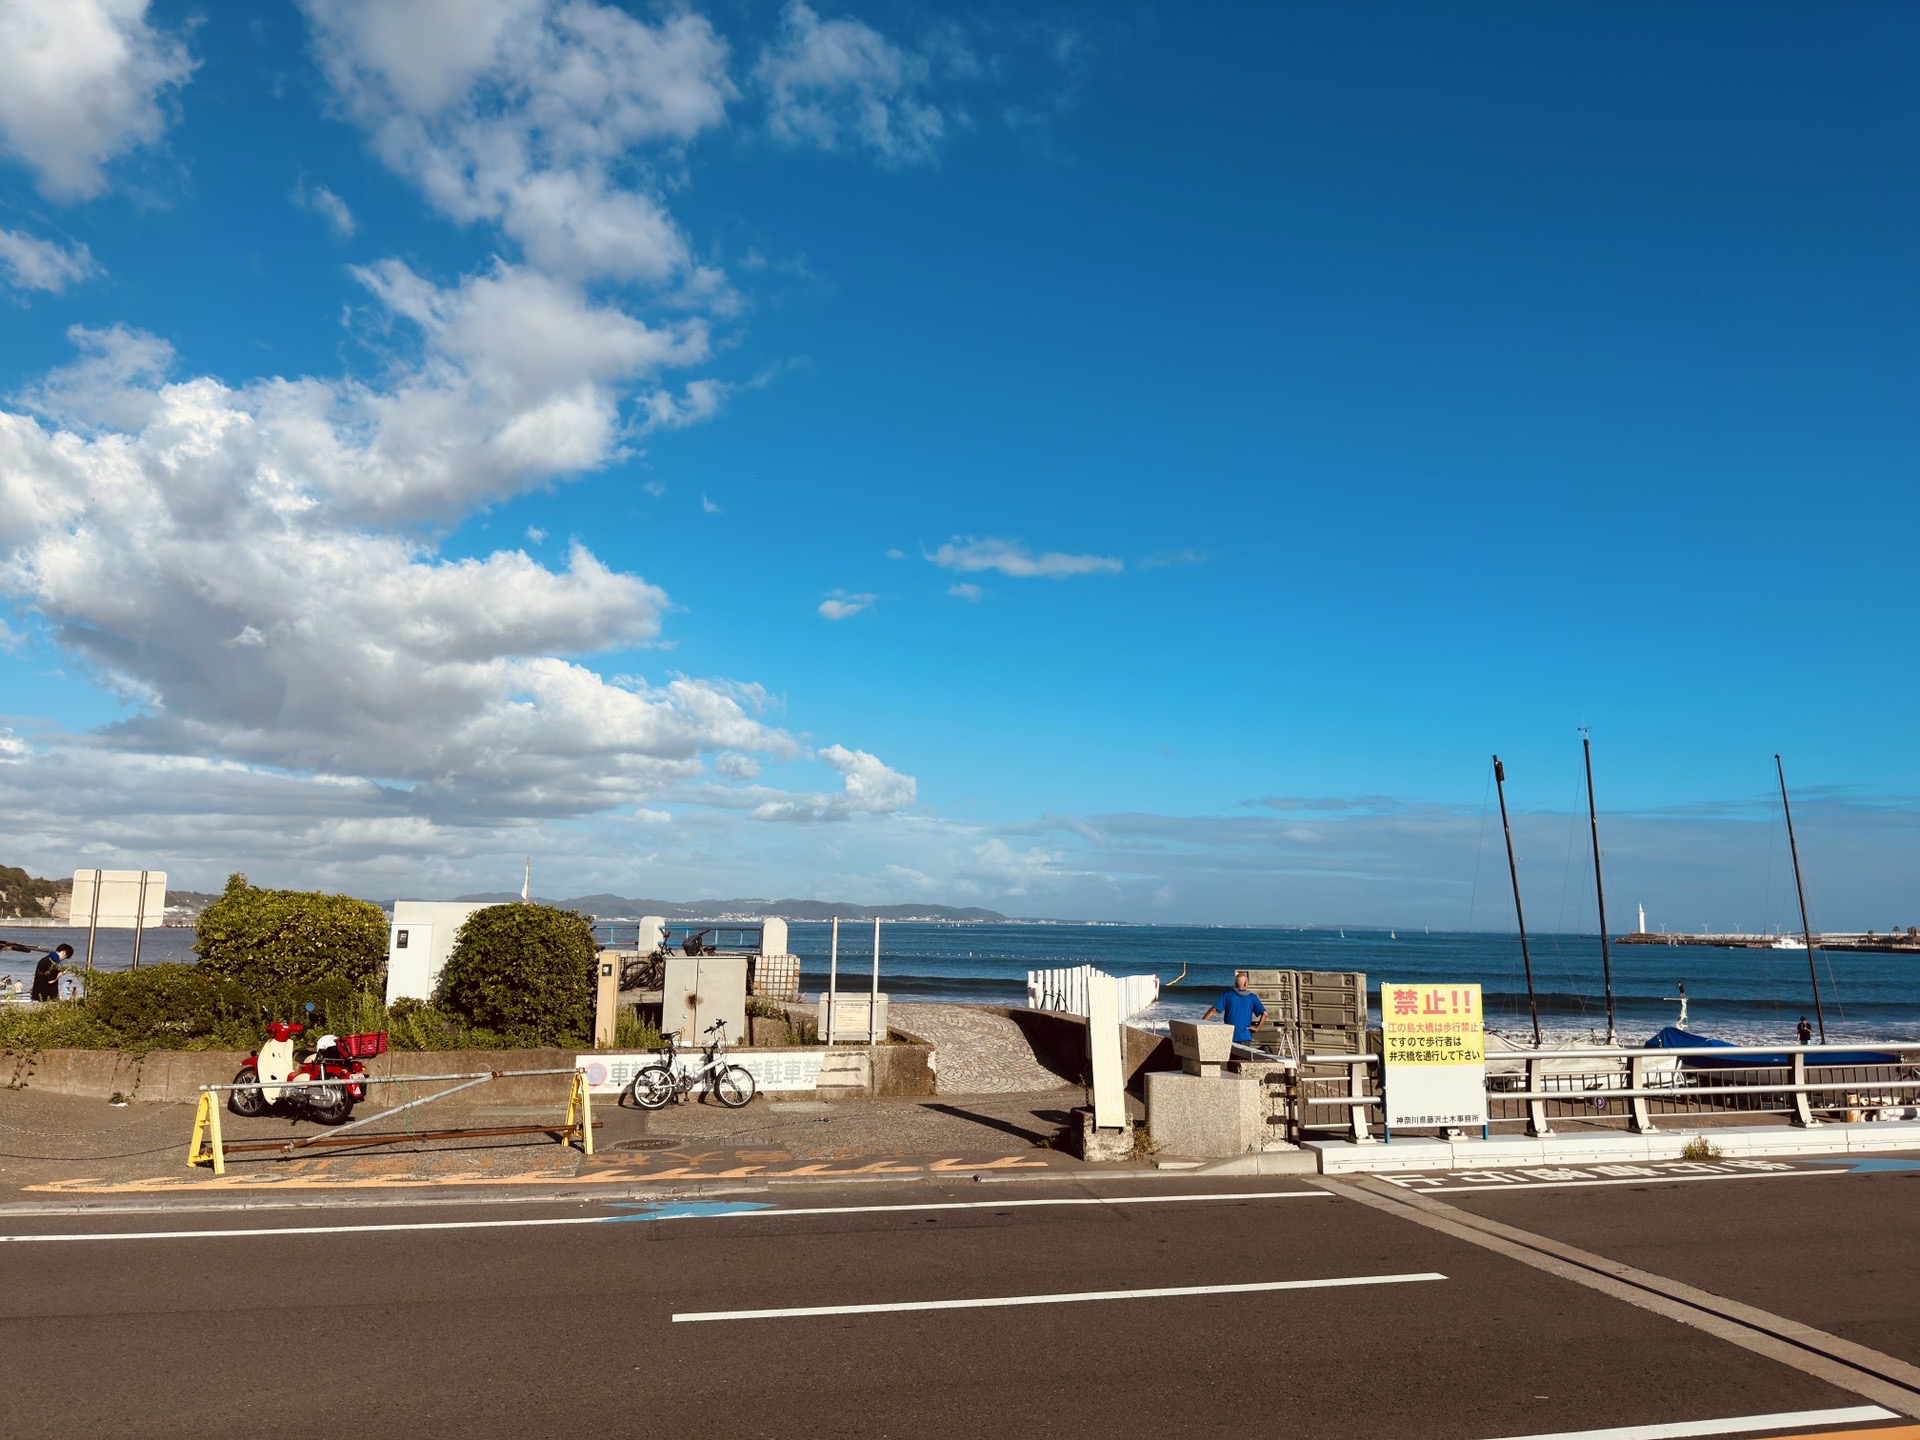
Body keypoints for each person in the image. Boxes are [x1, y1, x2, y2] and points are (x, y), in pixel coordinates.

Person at [1202, 970, 1267, 1044]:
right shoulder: (1252, 997)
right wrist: (1257, 1028)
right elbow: (1265, 1014)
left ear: (1235, 983)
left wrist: (1201, 1024)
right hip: (1245, 1036)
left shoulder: (1228, 995)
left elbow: (1213, 1010)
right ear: (1245, 984)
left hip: (1229, 1036)